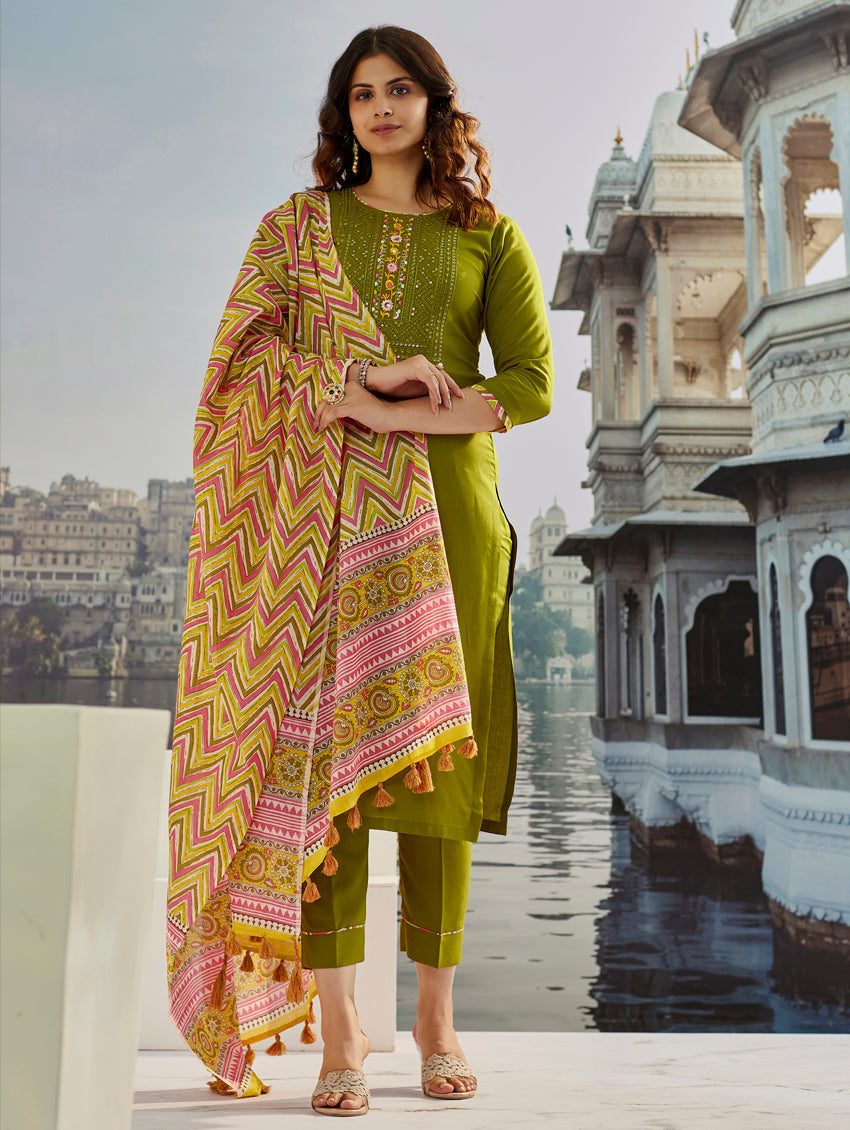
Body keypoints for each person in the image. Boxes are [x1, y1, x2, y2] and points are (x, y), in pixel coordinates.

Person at [166, 25, 553, 1116]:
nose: (381, 107)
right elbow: (236, 369)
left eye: (401, 89)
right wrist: (363, 375)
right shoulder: (295, 230)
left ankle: (435, 1019)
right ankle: (341, 1033)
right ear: (342, 113)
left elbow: (529, 383)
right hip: (315, 528)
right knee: (318, 770)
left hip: (453, 518)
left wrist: (394, 413)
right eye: (361, 92)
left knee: (436, 768)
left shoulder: (488, 235)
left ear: (435, 105)